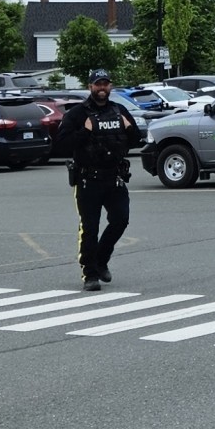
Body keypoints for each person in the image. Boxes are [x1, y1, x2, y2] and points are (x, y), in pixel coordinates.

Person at [55, 70, 145, 291]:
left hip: (114, 178)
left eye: (105, 84)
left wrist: (130, 127)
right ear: (90, 87)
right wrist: (85, 132)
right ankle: (90, 274)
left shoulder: (119, 110)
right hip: (88, 180)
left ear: (110, 86)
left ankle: (101, 259)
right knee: (90, 228)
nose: (102, 88)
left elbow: (136, 141)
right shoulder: (77, 114)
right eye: (98, 84)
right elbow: (61, 145)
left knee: (120, 220)